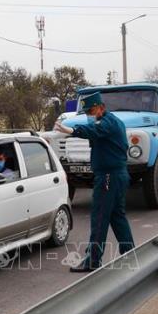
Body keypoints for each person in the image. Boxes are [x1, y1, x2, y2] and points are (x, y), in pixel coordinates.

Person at [55, 91, 135, 272]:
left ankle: (93, 260)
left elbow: (95, 131)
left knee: (99, 217)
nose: (90, 115)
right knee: (116, 216)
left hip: (108, 177)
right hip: (116, 175)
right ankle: (129, 252)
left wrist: (72, 130)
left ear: (101, 108)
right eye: (87, 113)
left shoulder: (108, 123)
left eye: (92, 111)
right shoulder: (111, 121)